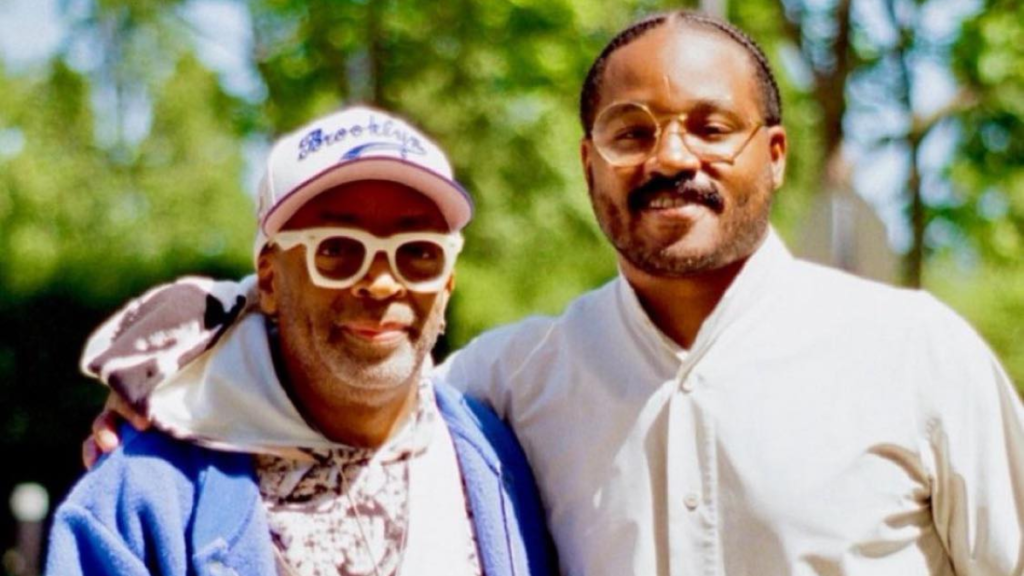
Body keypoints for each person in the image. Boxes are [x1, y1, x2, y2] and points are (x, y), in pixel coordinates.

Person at [84, 10, 1024, 576]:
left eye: (711, 127)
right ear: (588, 163)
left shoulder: (915, 357)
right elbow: (350, 354)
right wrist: (166, 395)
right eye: (632, 129)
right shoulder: (507, 388)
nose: (671, 157)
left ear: (773, 156)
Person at [47, 105, 554, 576]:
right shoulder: (144, 494)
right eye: (336, 249)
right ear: (269, 279)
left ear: (448, 282)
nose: (381, 282)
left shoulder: (502, 458)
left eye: (418, 251)